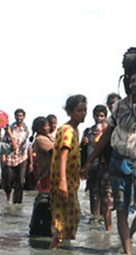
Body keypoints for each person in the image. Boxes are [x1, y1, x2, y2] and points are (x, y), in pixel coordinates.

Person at [81, 41, 136, 255]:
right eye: (132, 80)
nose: (135, 83)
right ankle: (126, 251)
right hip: (117, 162)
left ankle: (130, 234)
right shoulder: (119, 106)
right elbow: (107, 134)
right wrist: (89, 161)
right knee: (121, 209)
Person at [49, 94, 87, 250]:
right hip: (62, 180)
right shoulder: (68, 130)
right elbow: (64, 154)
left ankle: (58, 247)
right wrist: (63, 181)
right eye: (79, 110)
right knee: (64, 215)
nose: (83, 113)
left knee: (69, 214)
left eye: (85, 110)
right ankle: (54, 248)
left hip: (70, 179)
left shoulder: (74, 130)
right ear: (70, 112)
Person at [80, 104, 113, 231]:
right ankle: (95, 216)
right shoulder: (88, 131)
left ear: (105, 117)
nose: (98, 118)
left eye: (101, 116)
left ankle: (104, 218)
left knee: (106, 193)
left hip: (105, 165)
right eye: (96, 115)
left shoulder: (108, 131)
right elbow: (82, 149)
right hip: (92, 165)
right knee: (93, 192)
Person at [2, 108, 33, 203]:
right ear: (15, 116)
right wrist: (3, 157)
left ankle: (17, 202)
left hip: (22, 157)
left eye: (21, 116)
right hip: (10, 157)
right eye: (17, 116)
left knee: (20, 181)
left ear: (24, 117)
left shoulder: (27, 130)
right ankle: (8, 198)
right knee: (7, 181)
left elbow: (29, 146)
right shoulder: (9, 128)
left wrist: (31, 162)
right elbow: (4, 143)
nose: (19, 118)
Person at [30, 116, 54, 193]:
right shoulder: (40, 139)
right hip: (46, 173)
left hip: (52, 172)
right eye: (46, 126)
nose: (48, 128)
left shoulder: (48, 137)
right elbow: (55, 149)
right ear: (39, 129)